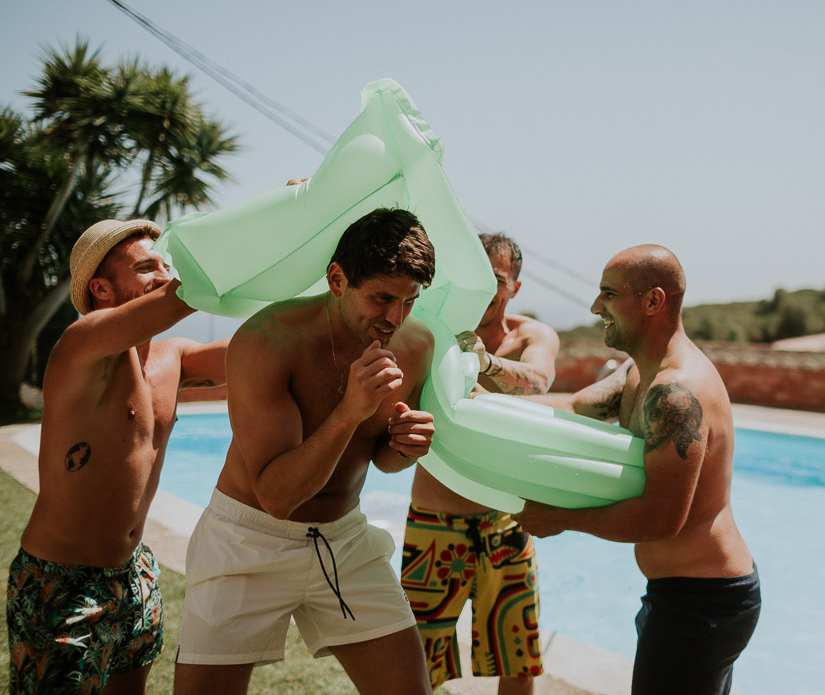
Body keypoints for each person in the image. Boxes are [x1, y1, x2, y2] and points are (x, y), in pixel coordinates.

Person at [172, 208, 437, 695]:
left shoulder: (416, 346)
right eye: (381, 298)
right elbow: (277, 496)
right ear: (337, 279)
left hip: (344, 539)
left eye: (409, 301)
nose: (394, 318)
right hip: (246, 539)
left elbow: (381, 458)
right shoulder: (267, 341)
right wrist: (350, 411)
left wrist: (406, 447)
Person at [517, 245, 760, 695]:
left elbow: (662, 519)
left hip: (703, 602)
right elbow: (574, 406)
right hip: (679, 593)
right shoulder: (639, 372)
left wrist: (560, 519)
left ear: (653, 301)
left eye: (608, 294)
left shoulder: (676, 391)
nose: (595, 307)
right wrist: (475, 401)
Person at [6, 218, 228, 694]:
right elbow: (187, 294)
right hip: (60, 582)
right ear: (102, 288)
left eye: (165, 265)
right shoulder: (80, 344)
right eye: (147, 267)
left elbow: (259, 350)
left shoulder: (173, 358)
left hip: (134, 572)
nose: (166, 276)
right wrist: (292, 217)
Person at [401, 232, 559, 694]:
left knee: (518, 659)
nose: (486, 291)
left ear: (515, 287)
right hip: (434, 521)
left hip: (506, 521)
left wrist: (484, 362)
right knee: (416, 660)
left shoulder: (532, 335)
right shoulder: (432, 329)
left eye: (496, 280)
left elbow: (540, 380)